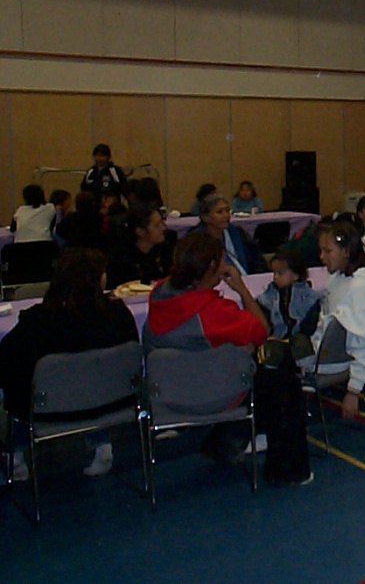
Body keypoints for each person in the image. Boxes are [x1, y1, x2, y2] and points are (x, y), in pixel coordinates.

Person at [144, 233, 313, 485]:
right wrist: (241, 290)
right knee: (280, 374)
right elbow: (262, 330)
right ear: (212, 267)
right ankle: (288, 469)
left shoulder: (159, 295)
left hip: (169, 392)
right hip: (212, 393)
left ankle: (226, 441)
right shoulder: (213, 312)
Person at [0, 248, 139, 479]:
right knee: (94, 379)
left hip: (49, 411)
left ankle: (16, 455)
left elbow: (7, 364)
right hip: (114, 402)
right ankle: (101, 443)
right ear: (98, 278)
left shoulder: (38, 321)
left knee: (19, 386)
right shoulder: (118, 314)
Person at [302, 221, 365, 420]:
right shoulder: (339, 278)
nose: (322, 257)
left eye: (328, 251)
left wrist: (353, 390)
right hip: (322, 355)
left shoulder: (358, 288)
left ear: (346, 252)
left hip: (332, 362)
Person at [256, 249, 322, 346]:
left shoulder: (310, 298)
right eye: (274, 273)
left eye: (280, 273)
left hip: (302, 344)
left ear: (296, 275)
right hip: (275, 341)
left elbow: (311, 325)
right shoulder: (267, 297)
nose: (275, 277)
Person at [189, 192, 266, 275]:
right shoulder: (195, 240)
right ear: (205, 217)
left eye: (227, 210)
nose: (226, 215)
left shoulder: (236, 232)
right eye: (219, 212)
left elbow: (256, 259)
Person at [105, 202, 175, 289]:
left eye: (162, 222)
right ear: (140, 231)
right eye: (157, 225)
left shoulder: (165, 250)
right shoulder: (122, 260)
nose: (163, 228)